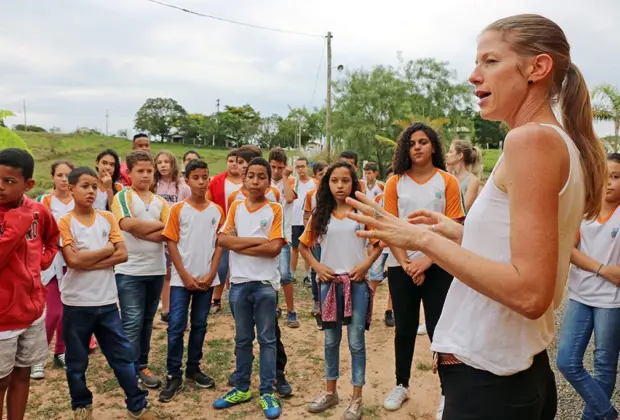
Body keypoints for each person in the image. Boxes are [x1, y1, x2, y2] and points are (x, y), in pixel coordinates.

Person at [345, 14, 607, 420]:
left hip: (492, 382)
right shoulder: (551, 139)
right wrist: (457, 232)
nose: (473, 75)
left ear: (537, 68)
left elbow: (531, 293)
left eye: (490, 61)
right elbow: (521, 253)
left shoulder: (530, 140)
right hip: (513, 373)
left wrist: (422, 241)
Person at [58, 166, 165, 420]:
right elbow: (73, 261)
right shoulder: (64, 221)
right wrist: (107, 251)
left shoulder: (107, 218)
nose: (91, 191)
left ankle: (136, 404)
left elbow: (123, 254)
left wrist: (87, 259)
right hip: (76, 303)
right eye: (84, 186)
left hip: (106, 302)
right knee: (76, 362)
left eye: (94, 186)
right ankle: (81, 405)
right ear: (71, 189)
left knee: (122, 357)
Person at [376, 123, 464, 417]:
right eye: (412, 142)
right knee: (404, 328)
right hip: (402, 266)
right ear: (405, 148)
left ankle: (445, 392)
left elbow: (456, 227)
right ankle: (401, 384)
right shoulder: (395, 183)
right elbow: (388, 227)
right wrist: (407, 263)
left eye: (423, 141)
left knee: (440, 330)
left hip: (439, 265)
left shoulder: (447, 181)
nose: (417, 147)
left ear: (433, 146)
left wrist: (427, 260)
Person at [299, 162, 382, 420]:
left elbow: (379, 244)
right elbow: (303, 246)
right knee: (330, 340)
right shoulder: (320, 213)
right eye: (334, 181)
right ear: (327, 183)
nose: (339, 186)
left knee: (356, 342)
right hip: (329, 285)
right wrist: (318, 266)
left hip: (356, 285)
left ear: (353, 183)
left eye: (345, 181)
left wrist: (366, 264)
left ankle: (356, 398)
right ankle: (330, 391)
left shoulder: (361, 211)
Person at [214, 158, 285, 419]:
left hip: (266, 284)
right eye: (251, 176)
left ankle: (267, 391)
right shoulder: (235, 207)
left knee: (267, 340)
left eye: (261, 177)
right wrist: (255, 241)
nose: (255, 181)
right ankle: (242, 387)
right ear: (244, 180)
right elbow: (222, 239)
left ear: (268, 181)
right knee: (242, 339)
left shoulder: (275, 209)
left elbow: (274, 248)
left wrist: (237, 243)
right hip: (239, 283)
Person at [556, 153, 620, 420]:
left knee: (604, 366)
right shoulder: (584, 210)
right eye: (604, 176)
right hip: (581, 295)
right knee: (566, 361)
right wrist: (603, 269)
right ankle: (609, 413)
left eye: (616, 177)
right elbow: (567, 248)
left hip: (612, 301)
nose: (608, 183)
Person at [0, 148, 59, 420]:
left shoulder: (38, 211)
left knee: (22, 373)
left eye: (9, 181)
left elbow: (52, 238)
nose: (1, 187)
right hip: (2, 320)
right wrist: (14, 228)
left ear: (29, 184)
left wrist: (42, 263)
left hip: (33, 311)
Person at [159, 159, 223, 402]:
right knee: (176, 326)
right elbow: (171, 242)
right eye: (195, 177)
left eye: (204, 177)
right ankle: (173, 374)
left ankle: (193, 368)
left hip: (206, 280)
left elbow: (220, 245)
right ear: (187, 180)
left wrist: (210, 275)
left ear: (208, 178)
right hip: (180, 281)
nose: (200, 182)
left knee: (200, 325)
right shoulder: (178, 210)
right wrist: (184, 275)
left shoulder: (217, 211)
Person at [112, 151, 169, 390]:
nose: (146, 175)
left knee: (147, 321)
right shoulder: (123, 196)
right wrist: (155, 228)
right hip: (129, 270)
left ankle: (141, 365)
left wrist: (142, 229)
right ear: (130, 173)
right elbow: (126, 224)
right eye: (140, 171)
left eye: (149, 171)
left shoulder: (160, 202)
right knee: (132, 322)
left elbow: (169, 232)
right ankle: (128, 370)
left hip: (155, 269)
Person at [31, 160, 76, 380]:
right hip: (50, 262)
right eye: (60, 174)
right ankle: (37, 358)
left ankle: (61, 352)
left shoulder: (79, 199)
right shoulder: (43, 201)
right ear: (52, 177)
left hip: (74, 262)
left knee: (67, 312)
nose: (64, 179)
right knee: (54, 311)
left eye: (68, 175)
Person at [152, 151, 191, 324]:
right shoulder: (154, 185)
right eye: (159, 162)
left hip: (178, 234)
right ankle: (166, 309)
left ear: (173, 163)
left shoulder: (182, 186)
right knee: (164, 272)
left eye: (166, 161)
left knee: (178, 271)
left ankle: (180, 309)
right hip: (157, 233)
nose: (163, 165)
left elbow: (188, 209)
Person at [207, 149, 242, 314]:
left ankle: (239, 300)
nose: (234, 164)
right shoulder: (217, 181)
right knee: (220, 265)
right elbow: (208, 202)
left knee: (240, 266)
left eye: (237, 161)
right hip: (222, 229)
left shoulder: (249, 179)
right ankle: (216, 298)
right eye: (230, 161)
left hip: (243, 230)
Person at [367, 166, 395, 328]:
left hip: (395, 244)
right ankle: (368, 309)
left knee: (393, 278)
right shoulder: (379, 198)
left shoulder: (402, 197)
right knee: (375, 276)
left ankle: (389, 311)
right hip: (381, 243)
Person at [303, 160, 328, 328]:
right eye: (321, 175)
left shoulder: (336, 194)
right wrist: (310, 235)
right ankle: (318, 302)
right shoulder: (312, 195)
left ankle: (328, 304)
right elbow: (306, 215)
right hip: (316, 239)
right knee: (316, 270)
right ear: (316, 177)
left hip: (331, 240)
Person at [290, 157, 318, 293]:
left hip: (308, 220)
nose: (300, 169)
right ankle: (292, 274)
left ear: (308, 167)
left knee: (308, 247)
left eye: (302, 166)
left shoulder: (315, 183)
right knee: (295, 248)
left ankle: (307, 274)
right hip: (294, 220)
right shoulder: (292, 182)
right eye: (298, 166)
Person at [445, 140, 482, 212]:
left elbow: (462, 211)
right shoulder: (447, 176)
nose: (447, 154)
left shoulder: (473, 181)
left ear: (460, 156)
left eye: (450, 152)